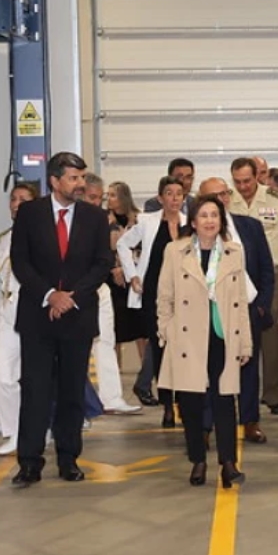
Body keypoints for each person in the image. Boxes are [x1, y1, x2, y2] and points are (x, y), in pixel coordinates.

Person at [9, 151, 114, 487]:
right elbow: (20, 262)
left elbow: (101, 263)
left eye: (83, 177)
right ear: (54, 181)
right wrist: (50, 295)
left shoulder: (95, 217)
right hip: (38, 318)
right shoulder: (30, 214)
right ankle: (29, 462)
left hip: (77, 315)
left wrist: (70, 297)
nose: (80, 184)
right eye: (73, 178)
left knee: (71, 392)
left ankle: (69, 459)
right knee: (36, 391)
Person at [156, 194, 253, 488]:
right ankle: (198, 459)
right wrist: (167, 331)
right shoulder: (175, 251)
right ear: (194, 222)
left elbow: (241, 301)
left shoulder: (234, 252)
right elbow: (165, 296)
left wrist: (245, 343)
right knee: (192, 403)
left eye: (215, 215)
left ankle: (228, 463)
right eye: (204, 215)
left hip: (223, 335)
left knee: (225, 401)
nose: (210, 220)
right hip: (188, 338)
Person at [201, 177, 275, 443]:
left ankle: (250, 420)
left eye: (224, 193)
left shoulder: (250, 227)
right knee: (210, 370)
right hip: (210, 312)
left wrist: (262, 307)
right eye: (213, 196)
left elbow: (267, 270)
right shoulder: (196, 234)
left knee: (248, 366)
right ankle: (206, 425)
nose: (220, 199)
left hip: (247, 310)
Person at [116, 175, 188, 424]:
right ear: (160, 198)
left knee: (183, 350)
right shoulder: (147, 222)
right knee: (159, 350)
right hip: (154, 297)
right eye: (169, 193)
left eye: (179, 193)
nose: (175, 198)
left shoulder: (190, 224)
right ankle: (167, 404)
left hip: (185, 297)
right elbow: (123, 245)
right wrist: (132, 275)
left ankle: (184, 402)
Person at [230, 157, 278, 417]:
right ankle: (238, 391)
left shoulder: (276, 198)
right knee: (236, 335)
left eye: (247, 180)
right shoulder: (228, 199)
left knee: (271, 336)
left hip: (271, 274)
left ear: (258, 175)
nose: (243, 186)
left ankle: (272, 394)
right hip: (235, 274)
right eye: (238, 181)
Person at [82, 174, 143, 415]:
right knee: (79, 347)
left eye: (100, 198)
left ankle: (112, 398)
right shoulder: (69, 219)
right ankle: (82, 403)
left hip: (100, 286)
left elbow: (110, 250)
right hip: (76, 290)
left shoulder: (100, 219)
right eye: (92, 197)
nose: (97, 202)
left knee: (106, 341)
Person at [0, 181, 40, 456]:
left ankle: (35, 430)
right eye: (13, 198)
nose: (16, 203)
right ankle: (14, 431)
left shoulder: (39, 237)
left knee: (34, 376)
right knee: (1, 374)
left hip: (31, 306)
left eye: (22, 198)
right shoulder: (3, 238)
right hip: (7, 305)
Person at [106, 181, 149, 383]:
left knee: (141, 329)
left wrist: (127, 268)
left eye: (113, 195)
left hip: (134, 277)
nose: (109, 199)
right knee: (114, 329)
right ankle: (115, 376)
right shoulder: (104, 219)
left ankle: (146, 375)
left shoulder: (139, 218)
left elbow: (142, 247)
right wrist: (113, 268)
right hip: (111, 279)